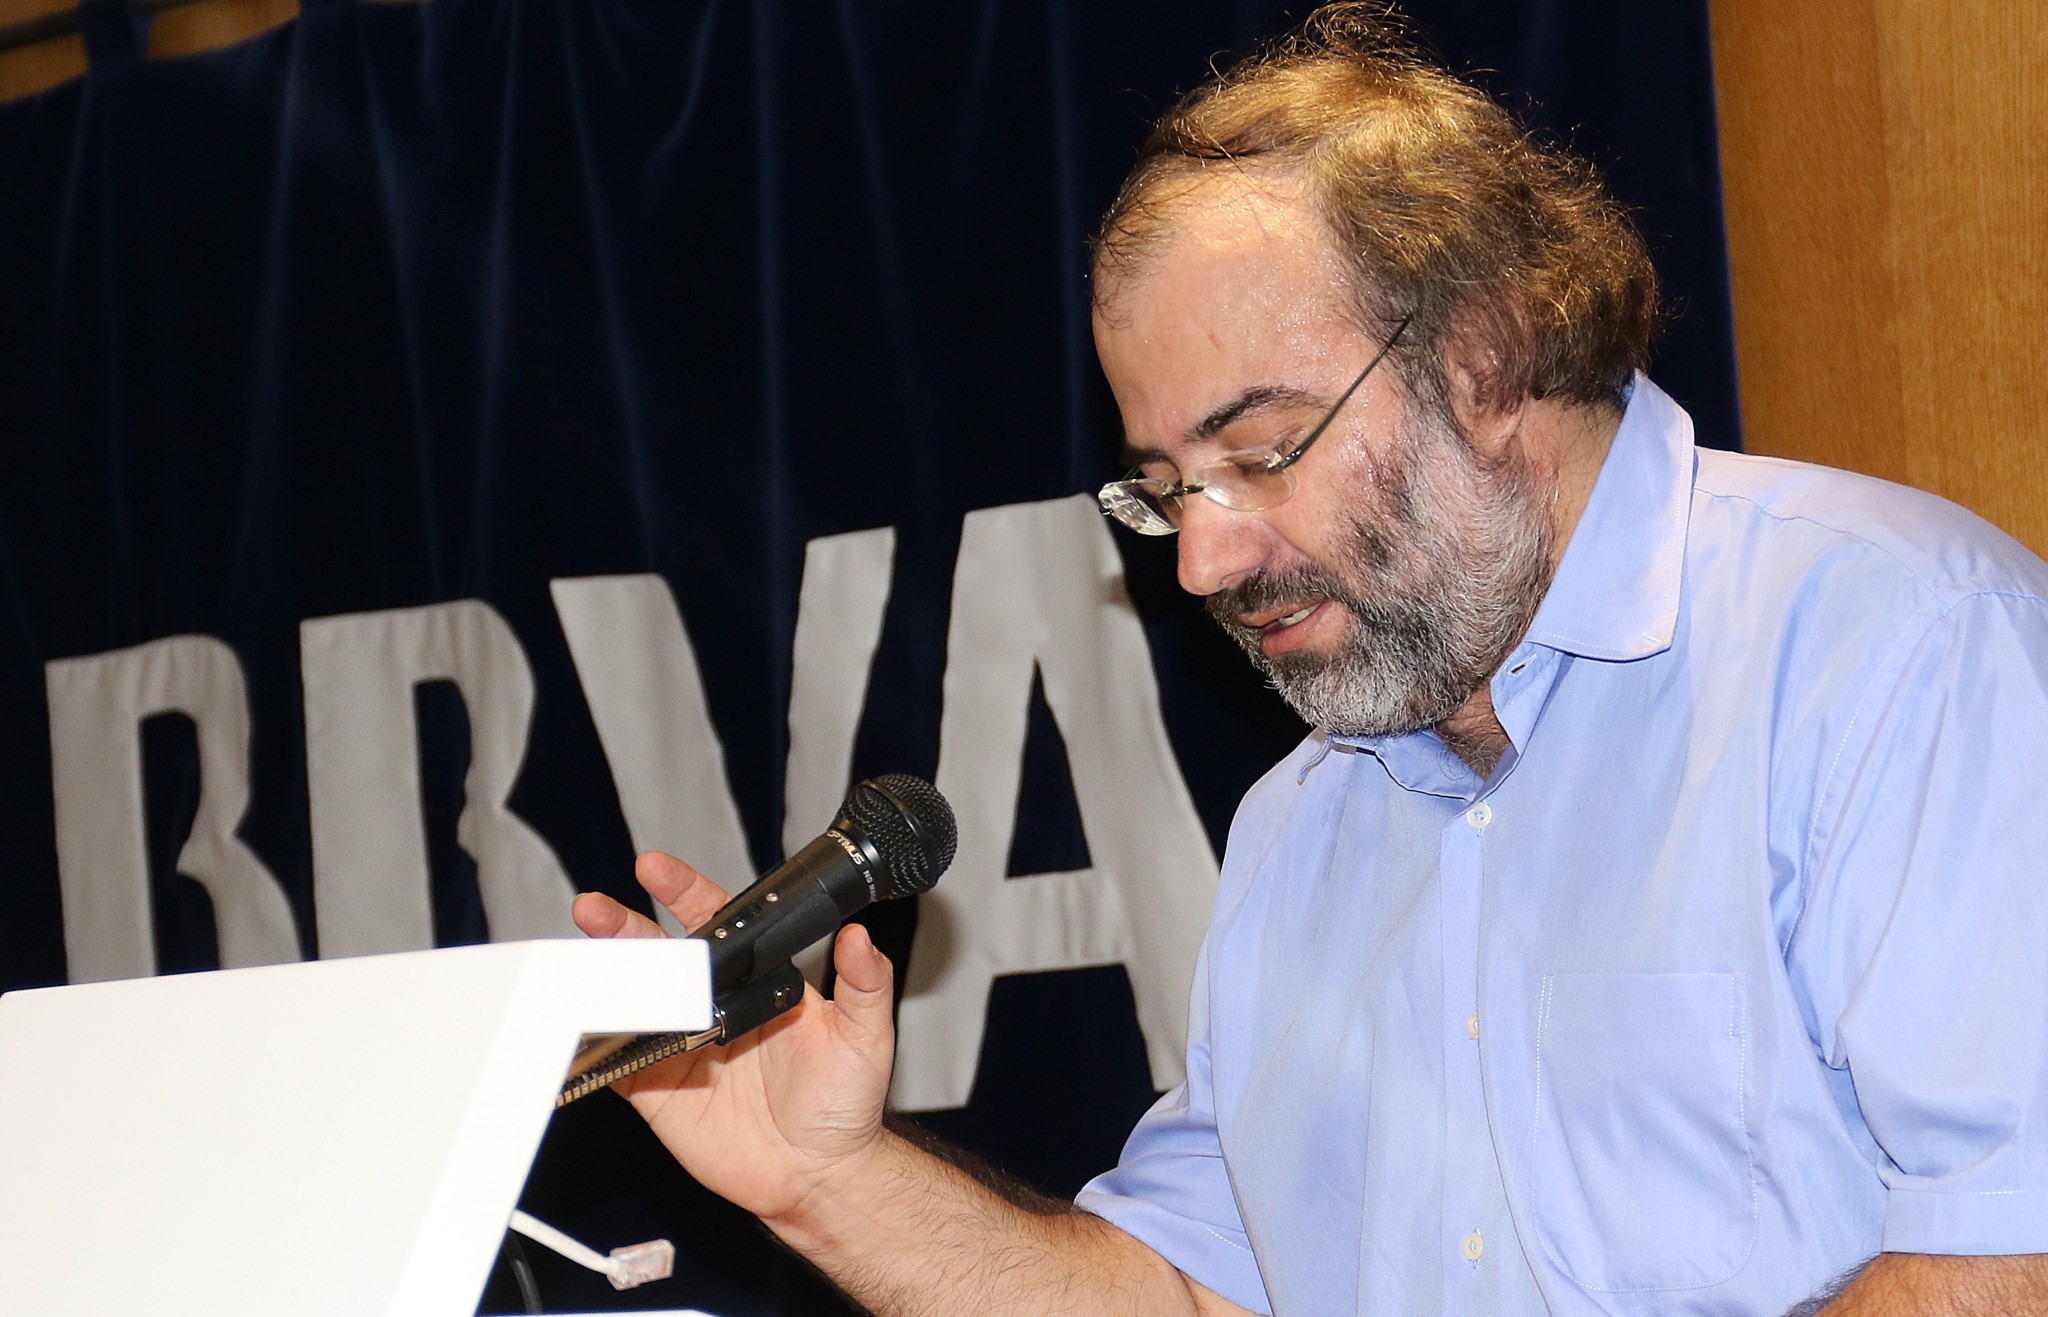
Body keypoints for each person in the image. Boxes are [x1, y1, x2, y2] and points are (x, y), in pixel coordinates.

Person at [572, 6, 2048, 1313]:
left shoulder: (1890, 644)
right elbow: (1188, 1295)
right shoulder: (1303, 826)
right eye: (1164, 488)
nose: (1203, 561)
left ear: (1480, 356)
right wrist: (816, 1180)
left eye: (1263, 452)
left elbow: (2013, 1249)